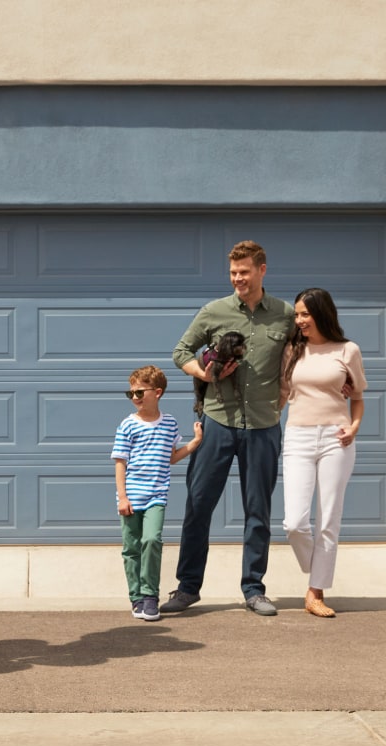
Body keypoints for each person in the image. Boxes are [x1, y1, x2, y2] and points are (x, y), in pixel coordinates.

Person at [162, 240, 295, 616]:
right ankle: (188, 588)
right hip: (218, 421)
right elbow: (180, 352)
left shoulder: (284, 315)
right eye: (234, 273)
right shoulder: (214, 311)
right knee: (198, 505)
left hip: (264, 426)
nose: (238, 278)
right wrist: (201, 371)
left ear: (262, 270)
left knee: (258, 510)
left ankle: (254, 589)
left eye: (245, 272)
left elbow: (303, 352)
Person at [279, 288, 367, 618]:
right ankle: (317, 568)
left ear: (322, 313)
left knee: (329, 518)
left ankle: (315, 591)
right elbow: (282, 394)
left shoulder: (347, 350)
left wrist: (354, 427)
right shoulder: (292, 351)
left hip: (336, 438)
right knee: (295, 523)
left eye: (305, 313)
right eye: (297, 314)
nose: (299, 320)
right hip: (298, 437)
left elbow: (357, 397)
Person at [111, 365, 203, 621]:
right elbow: (120, 462)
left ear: (158, 392)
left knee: (151, 541)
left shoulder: (169, 423)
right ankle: (136, 598)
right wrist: (123, 497)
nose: (135, 398)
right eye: (131, 394)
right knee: (131, 548)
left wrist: (194, 444)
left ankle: (150, 595)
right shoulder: (128, 425)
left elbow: (171, 457)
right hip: (131, 496)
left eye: (140, 392)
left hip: (155, 497)